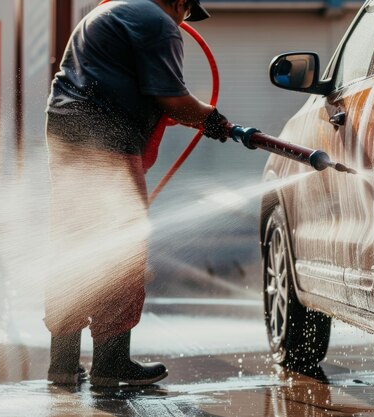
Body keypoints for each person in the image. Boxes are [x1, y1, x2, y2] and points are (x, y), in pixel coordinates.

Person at [44, 0, 227, 386]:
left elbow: (140, 89)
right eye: (185, 13)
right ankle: (110, 364)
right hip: (103, 132)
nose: (182, 21)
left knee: (75, 239)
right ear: (179, 1)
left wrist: (199, 117)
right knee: (121, 247)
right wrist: (212, 119)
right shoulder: (159, 23)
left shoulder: (111, 11)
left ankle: (62, 362)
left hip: (65, 127)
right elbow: (172, 99)